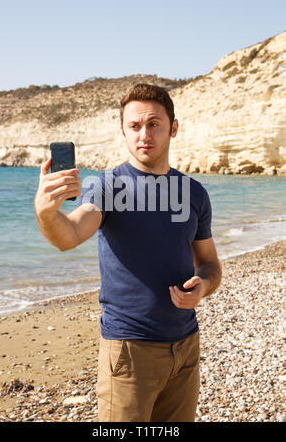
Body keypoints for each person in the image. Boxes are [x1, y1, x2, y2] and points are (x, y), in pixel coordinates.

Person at [34, 83, 222, 422]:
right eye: (134, 126)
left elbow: (209, 263)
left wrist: (203, 287)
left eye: (154, 124)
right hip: (129, 350)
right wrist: (46, 212)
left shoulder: (194, 193)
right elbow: (70, 234)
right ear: (123, 131)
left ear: (173, 128)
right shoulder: (106, 187)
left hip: (186, 346)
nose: (144, 135)